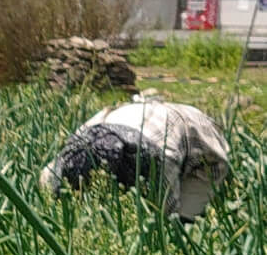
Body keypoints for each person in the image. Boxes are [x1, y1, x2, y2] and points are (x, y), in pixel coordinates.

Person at [39, 95, 230, 222]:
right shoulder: (82, 140)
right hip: (142, 118)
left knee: (179, 221)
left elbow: (164, 211)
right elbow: (47, 178)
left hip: (203, 149)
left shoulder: (162, 156)